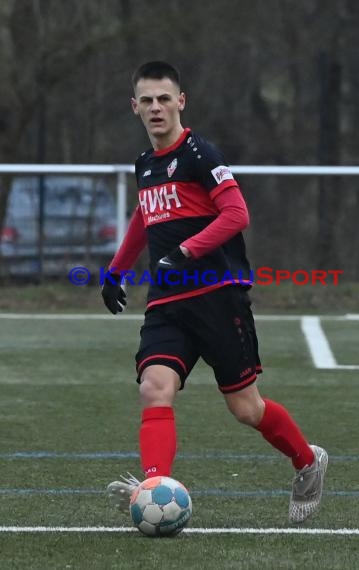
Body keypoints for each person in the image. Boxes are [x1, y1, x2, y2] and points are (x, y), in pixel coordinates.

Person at [101, 61, 328, 524]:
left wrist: (186, 250)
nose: (156, 107)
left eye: (164, 98)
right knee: (154, 388)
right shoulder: (145, 164)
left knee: (246, 408)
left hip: (217, 296)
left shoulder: (200, 154)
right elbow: (145, 218)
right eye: (146, 100)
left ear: (180, 101)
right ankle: (154, 487)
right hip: (167, 302)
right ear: (135, 108)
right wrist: (114, 272)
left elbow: (236, 214)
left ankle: (308, 461)